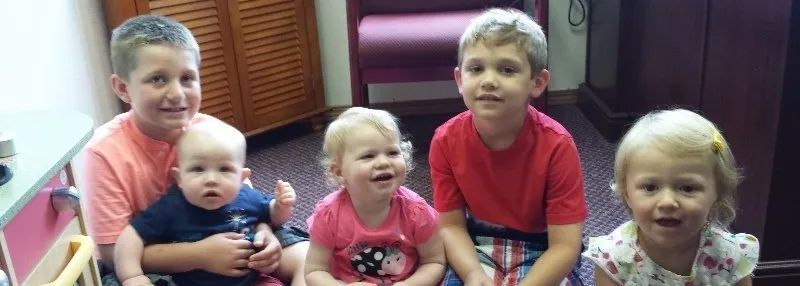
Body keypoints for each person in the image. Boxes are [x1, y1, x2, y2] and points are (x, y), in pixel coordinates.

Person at [82, 14, 309, 285]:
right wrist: (199, 255)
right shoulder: (104, 152)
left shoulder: (210, 130)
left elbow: (243, 202)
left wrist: (264, 234)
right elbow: (112, 253)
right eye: (157, 79)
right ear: (123, 88)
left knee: (308, 258)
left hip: (231, 232)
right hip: (153, 255)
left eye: (187, 78)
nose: (177, 93)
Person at [429, 8, 588, 285]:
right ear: (459, 79)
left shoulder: (557, 146)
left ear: (537, 83)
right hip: (477, 243)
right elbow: (452, 226)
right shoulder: (445, 141)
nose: (489, 80)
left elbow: (565, 246)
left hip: (543, 245)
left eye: (507, 69)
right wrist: (473, 274)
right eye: (476, 69)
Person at [582, 109, 760, 285]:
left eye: (688, 188)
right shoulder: (614, 259)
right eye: (650, 187)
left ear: (718, 193)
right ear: (626, 193)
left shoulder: (729, 257)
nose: (667, 202)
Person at [114, 121, 295, 286]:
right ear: (179, 178)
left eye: (224, 169)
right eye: (198, 169)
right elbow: (131, 236)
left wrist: (281, 206)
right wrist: (132, 276)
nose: (211, 179)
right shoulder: (172, 205)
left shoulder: (247, 196)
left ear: (241, 177)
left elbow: (274, 218)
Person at [304, 107, 445, 285]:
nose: (384, 162)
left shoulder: (416, 212)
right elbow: (315, 271)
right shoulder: (328, 215)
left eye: (392, 152)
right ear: (339, 172)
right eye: (368, 156)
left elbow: (435, 261)